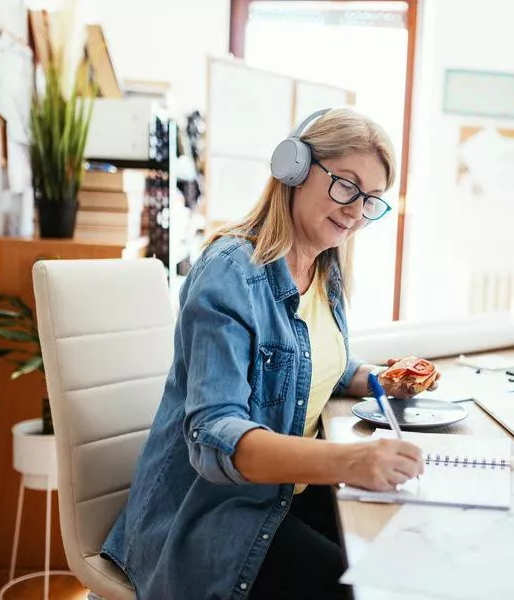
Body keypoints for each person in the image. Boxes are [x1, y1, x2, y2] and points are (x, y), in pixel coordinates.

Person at [101, 108, 434, 600]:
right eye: (346, 185)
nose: (355, 210)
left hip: (283, 493)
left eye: (371, 201)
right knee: (367, 586)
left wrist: (382, 379)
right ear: (293, 168)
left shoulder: (325, 268)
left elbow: (319, 367)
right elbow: (217, 438)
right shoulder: (230, 273)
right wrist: (351, 460)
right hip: (213, 516)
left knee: (410, 548)